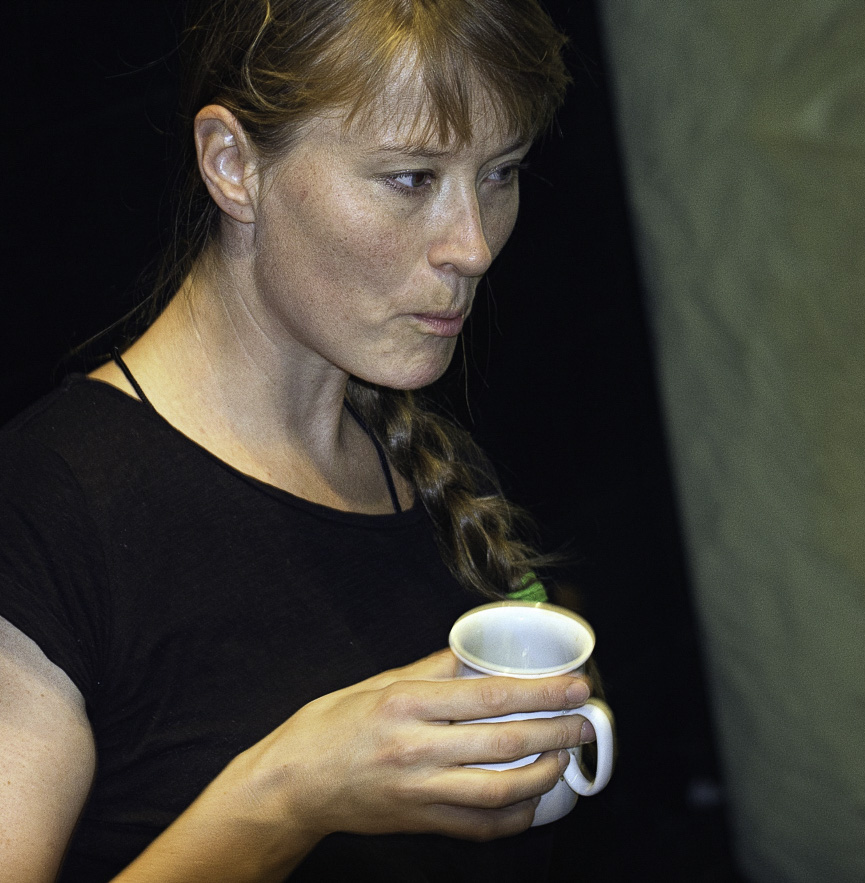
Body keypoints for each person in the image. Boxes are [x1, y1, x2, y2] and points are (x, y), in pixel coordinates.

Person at [0, 1, 601, 880]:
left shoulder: (428, 470)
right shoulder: (48, 510)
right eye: (411, 178)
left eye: (500, 173)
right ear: (232, 164)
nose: (473, 246)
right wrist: (287, 795)